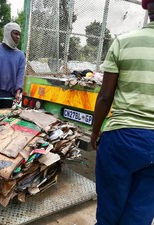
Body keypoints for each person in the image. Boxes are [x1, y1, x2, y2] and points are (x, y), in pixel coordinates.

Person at [90, 1, 154, 224]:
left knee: (109, 209)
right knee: (141, 211)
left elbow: (105, 96)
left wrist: (95, 132)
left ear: (147, 7)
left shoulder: (123, 42)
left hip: (121, 138)